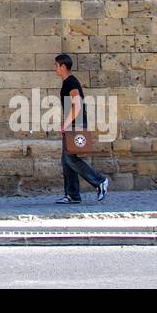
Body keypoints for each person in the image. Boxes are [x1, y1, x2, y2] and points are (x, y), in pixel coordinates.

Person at [54, 53, 110, 205]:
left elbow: (77, 105)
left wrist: (64, 125)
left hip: (75, 125)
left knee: (70, 159)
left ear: (63, 66)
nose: (55, 68)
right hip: (73, 124)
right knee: (66, 161)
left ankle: (100, 181)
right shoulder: (68, 82)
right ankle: (72, 195)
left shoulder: (71, 82)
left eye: (56, 65)